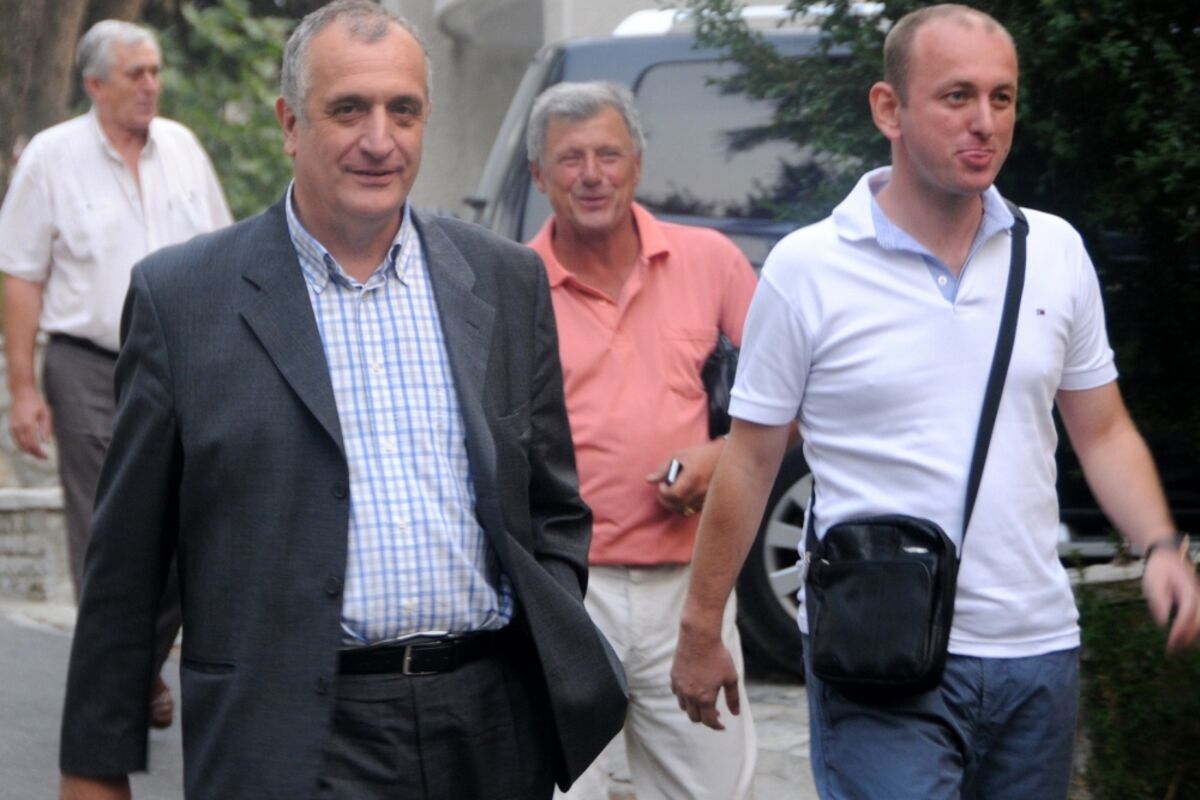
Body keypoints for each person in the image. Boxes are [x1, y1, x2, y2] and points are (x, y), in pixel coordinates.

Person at [57, 3, 626, 799]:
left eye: (403, 110)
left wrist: (538, 654)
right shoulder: (184, 299)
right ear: (291, 124)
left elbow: (551, 507)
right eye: (349, 109)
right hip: (294, 739)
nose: (379, 140)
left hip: (489, 730)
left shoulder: (503, 279)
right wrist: (94, 762)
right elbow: (132, 559)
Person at [671, 5, 1200, 799]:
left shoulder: (1054, 252)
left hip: (1035, 650)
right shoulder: (808, 268)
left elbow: (1102, 431)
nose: (985, 121)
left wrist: (1159, 544)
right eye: (957, 96)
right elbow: (749, 461)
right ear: (889, 109)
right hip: (877, 651)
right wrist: (700, 625)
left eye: (1002, 97)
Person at [526, 81, 758, 800]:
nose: (592, 175)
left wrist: (721, 456)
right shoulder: (513, 282)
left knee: (709, 794)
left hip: (691, 589)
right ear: (538, 176)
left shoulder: (710, 260)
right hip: (565, 592)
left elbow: (792, 401)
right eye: (570, 159)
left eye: (608, 155)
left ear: (638, 165)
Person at [0, 19, 232, 731]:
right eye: (136, 74)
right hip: (88, 365)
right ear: (95, 84)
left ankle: (136, 660)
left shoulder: (183, 148)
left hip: (185, 363)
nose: (151, 85)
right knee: (106, 527)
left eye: (156, 71)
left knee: (188, 520)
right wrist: (23, 390)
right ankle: (116, 682)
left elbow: (225, 254)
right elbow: (20, 273)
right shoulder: (52, 156)